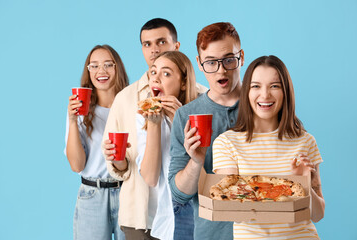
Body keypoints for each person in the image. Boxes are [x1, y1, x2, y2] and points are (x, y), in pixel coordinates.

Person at [102, 18, 207, 239]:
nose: (154, 50)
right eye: (147, 44)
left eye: (160, 42)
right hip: (144, 216)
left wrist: (181, 119)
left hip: (194, 212)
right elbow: (134, 170)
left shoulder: (204, 100)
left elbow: (214, 166)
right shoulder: (129, 102)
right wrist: (116, 157)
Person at [212, 55, 325, 239]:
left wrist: (303, 183)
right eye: (255, 86)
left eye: (275, 86)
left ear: (285, 91)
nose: (265, 95)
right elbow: (232, 211)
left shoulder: (306, 141)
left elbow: (318, 215)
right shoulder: (226, 143)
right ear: (246, 92)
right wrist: (266, 191)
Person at [168, 22, 244, 240]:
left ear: (241, 57)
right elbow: (179, 194)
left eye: (229, 59)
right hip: (211, 234)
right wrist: (196, 161)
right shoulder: (186, 116)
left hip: (264, 233)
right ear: (200, 64)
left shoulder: (262, 105)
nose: (221, 70)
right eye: (211, 62)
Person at [64, 44, 129, 240]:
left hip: (128, 193)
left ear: (117, 68)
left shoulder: (130, 106)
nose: (101, 71)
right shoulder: (79, 111)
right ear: (88, 71)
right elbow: (76, 165)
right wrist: (73, 120)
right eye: (94, 66)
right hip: (92, 194)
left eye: (108, 64)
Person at [136, 51, 198, 240]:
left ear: (184, 82)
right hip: (167, 218)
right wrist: (154, 125)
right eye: (153, 72)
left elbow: (204, 167)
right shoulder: (144, 118)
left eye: (166, 73)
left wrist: (181, 121)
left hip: (197, 212)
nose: (156, 78)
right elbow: (150, 178)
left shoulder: (198, 114)